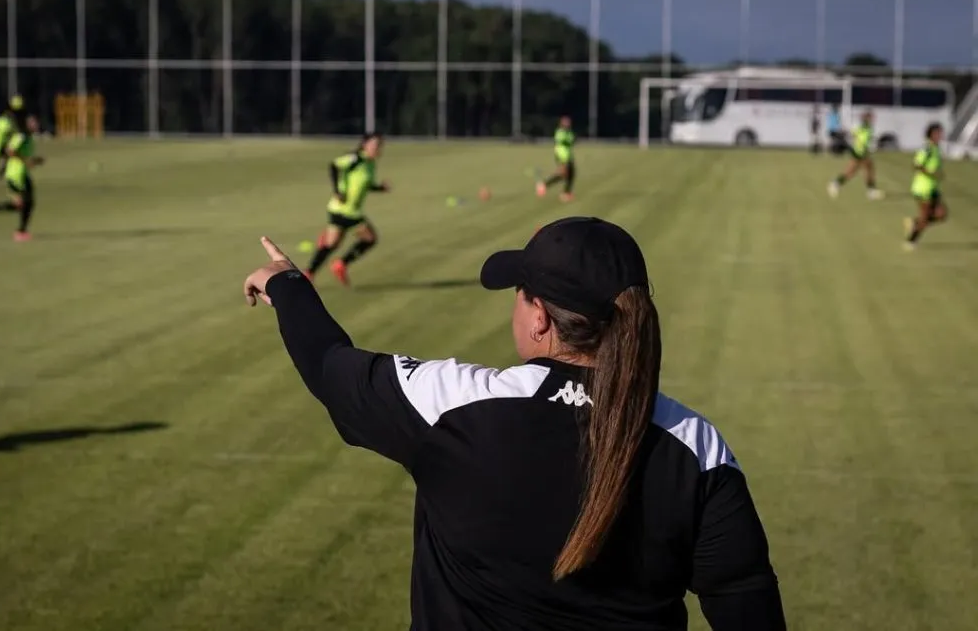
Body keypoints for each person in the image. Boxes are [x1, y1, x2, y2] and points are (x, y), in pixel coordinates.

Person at [243, 217, 787, 631]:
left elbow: (329, 366)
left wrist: (287, 284)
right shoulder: (697, 447)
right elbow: (746, 604)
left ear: (540, 317)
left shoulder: (451, 404)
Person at [304, 132, 390, 285]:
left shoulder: (370, 164)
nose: (378, 149)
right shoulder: (356, 159)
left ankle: (310, 272)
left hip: (346, 211)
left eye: (380, 146)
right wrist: (337, 191)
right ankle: (340, 264)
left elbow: (365, 184)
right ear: (365, 145)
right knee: (369, 238)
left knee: (332, 244)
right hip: (344, 210)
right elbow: (334, 165)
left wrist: (380, 188)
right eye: (375, 145)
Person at [0, 115, 43, 241]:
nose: (35, 124)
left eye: (35, 122)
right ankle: (21, 232)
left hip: (17, 173)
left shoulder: (27, 137)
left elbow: (17, 154)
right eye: (32, 122)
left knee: (19, 205)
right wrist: (26, 161)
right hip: (17, 174)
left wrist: (34, 161)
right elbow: (10, 150)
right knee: (28, 202)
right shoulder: (22, 136)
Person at [903, 123, 947, 252]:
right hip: (923, 188)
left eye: (941, 133)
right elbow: (916, 165)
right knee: (926, 216)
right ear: (931, 134)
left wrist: (938, 174)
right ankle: (911, 240)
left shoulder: (936, 148)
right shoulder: (927, 149)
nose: (940, 135)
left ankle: (915, 223)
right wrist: (931, 174)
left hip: (933, 188)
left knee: (941, 215)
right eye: (937, 133)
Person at [827, 110, 884, 200]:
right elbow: (855, 136)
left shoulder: (869, 128)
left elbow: (862, 138)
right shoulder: (862, 127)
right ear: (866, 118)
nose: (872, 119)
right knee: (858, 170)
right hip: (859, 152)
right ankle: (871, 191)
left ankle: (836, 184)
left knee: (858, 170)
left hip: (862, 151)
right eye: (870, 117)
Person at [536, 116, 576, 202]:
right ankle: (544, 185)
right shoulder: (560, 132)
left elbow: (572, 140)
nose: (567, 124)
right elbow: (563, 141)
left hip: (568, 155)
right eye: (565, 123)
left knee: (571, 174)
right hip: (562, 155)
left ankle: (566, 192)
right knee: (563, 174)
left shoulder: (569, 133)